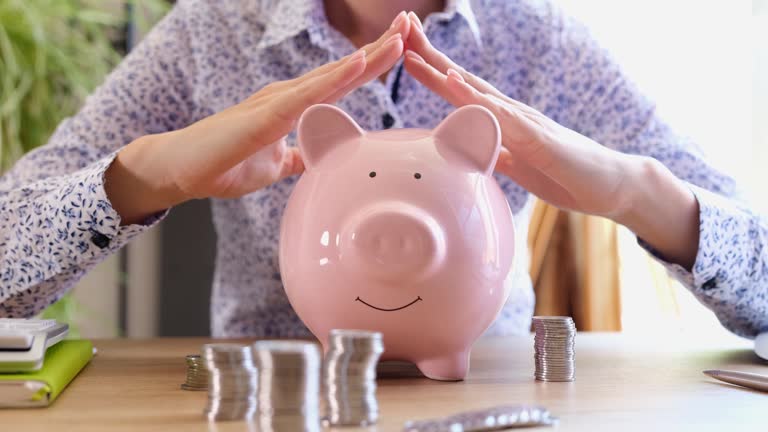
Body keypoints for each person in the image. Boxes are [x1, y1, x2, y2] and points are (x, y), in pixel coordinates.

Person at [1, 0, 765, 339]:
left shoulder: (538, 37)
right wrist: (143, 175)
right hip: (275, 400)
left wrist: (637, 194)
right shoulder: (212, 31)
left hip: (480, 392)